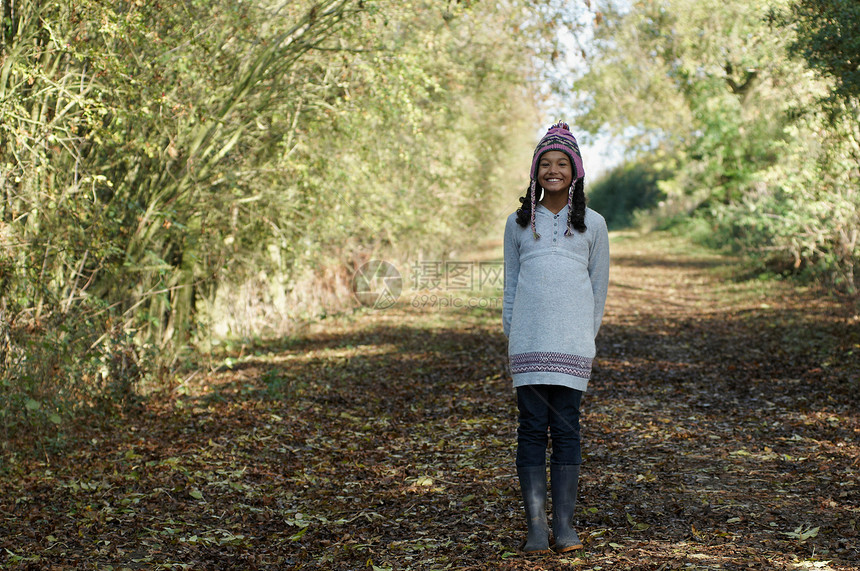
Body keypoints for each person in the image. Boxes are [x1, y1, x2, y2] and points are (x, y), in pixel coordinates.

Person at [502, 121, 610, 555]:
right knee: (530, 430)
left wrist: (586, 337)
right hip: (528, 345)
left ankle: (564, 528)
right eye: (545, 163)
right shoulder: (517, 223)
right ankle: (534, 528)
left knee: (566, 430)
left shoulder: (594, 225)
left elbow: (598, 290)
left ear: (575, 171)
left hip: (572, 346)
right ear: (535, 171)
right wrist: (513, 336)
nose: (552, 170)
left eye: (561, 163)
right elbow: (510, 287)